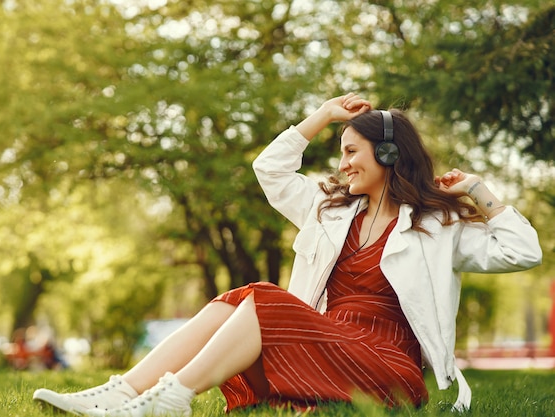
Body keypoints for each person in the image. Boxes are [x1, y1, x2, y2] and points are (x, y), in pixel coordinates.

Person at [32, 93, 542, 416]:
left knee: (264, 297)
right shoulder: (331, 211)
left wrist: (477, 190)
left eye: (350, 152)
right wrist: (322, 116)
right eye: (339, 151)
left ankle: (170, 399)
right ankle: (122, 392)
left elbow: (522, 250)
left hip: (390, 368)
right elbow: (270, 170)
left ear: (387, 154)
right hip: (325, 344)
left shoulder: (435, 224)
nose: (341, 165)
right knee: (240, 298)